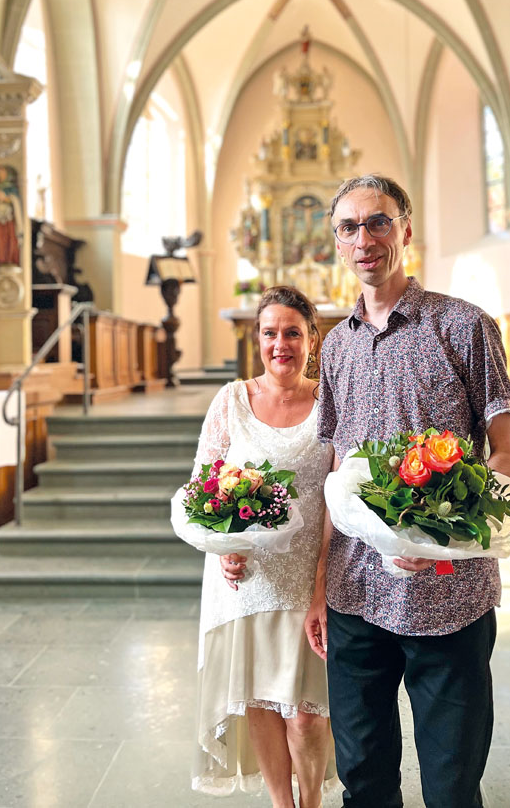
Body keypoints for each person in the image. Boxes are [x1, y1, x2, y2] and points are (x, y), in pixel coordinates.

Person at [304, 174, 510, 808]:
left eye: (377, 222)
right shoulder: (337, 347)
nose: (363, 238)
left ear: (405, 230)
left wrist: (448, 539)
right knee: (364, 777)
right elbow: (337, 471)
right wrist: (320, 582)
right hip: (356, 590)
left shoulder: (464, 325)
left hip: (447, 592)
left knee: (452, 785)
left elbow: (507, 448)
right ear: (336, 243)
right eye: (348, 227)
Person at [191, 285, 337, 807]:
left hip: (308, 579)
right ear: (257, 339)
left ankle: (312, 802)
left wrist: (323, 584)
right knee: (261, 701)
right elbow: (203, 487)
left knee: (304, 713)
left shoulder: (331, 404)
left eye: (293, 333)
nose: (281, 344)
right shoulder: (230, 400)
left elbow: (338, 501)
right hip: (245, 578)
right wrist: (223, 545)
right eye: (270, 333)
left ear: (312, 340)